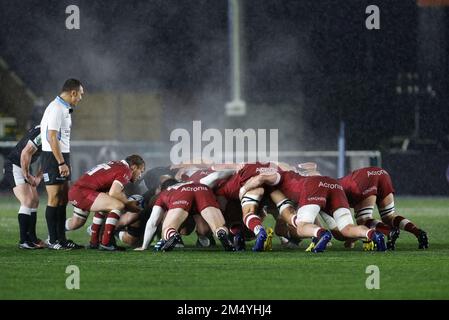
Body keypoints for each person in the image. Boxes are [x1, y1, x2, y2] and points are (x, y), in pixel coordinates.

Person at [39, 79, 84, 250]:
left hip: (62, 155)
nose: (80, 98)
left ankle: (62, 239)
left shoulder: (64, 108)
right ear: (73, 92)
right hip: (53, 157)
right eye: (80, 94)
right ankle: (53, 239)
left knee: (63, 198)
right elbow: (52, 137)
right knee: (54, 198)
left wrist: (65, 160)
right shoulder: (56, 108)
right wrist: (61, 162)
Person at [66, 154, 145, 250]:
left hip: (77, 190)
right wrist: (128, 204)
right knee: (118, 205)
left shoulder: (116, 164)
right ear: (134, 167)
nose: (140, 175)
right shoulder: (126, 170)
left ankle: (92, 242)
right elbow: (114, 192)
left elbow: (108, 193)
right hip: (83, 192)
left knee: (76, 223)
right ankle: (106, 243)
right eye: (141, 171)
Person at [339, 166, 428, 249]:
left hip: (364, 178)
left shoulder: (333, 194)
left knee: (364, 220)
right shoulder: (336, 185)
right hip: (382, 173)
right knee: (389, 216)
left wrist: (350, 240)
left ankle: (389, 230)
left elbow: (348, 227)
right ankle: (419, 233)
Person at [135, 179, 235, 252]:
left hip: (181, 195)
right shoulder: (191, 182)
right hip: (203, 189)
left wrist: (144, 246)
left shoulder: (165, 193)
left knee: (168, 228)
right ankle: (221, 233)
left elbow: (153, 222)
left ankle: (172, 235)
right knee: (218, 226)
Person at [2, 124, 44, 249]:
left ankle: (32, 238)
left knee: (35, 201)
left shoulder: (51, 131)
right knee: (27, 200)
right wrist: (28, 176)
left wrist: (38, 177)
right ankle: (23, 241)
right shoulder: (45, 132)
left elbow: (48, 158)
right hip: (15, 166)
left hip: (24, 166)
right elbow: (25, 153)